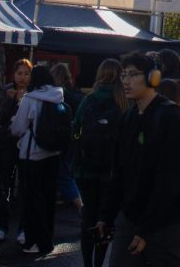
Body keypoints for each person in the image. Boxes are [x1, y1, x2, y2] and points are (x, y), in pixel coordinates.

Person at [98, 52, 180, 267]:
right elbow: (119, 170)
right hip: (130, 220)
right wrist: (106, 214)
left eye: (133, 74)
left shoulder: (170, 117)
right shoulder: (128, 118)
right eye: (124, 75)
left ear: (153, 78)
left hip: (167, 225)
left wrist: (146, 228)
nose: (126, 81)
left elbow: (170, 178)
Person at [74, 59, 127, 267]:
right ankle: (99, 261)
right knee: (105, 218)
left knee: (89, 216)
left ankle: (87, 262)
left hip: (86, 168)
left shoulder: (89, 100)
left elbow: (76, 127)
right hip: (111, 171)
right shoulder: (123, 102)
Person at [11, 64, 66, 255]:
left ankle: (34, 240)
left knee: (32, 201)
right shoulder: (58, 95)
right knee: (48, 199)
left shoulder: (30, 98)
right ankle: (47, 239)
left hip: (32, 153)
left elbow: (18, 127)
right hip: (53, 153)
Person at [0, 57, 32, 243]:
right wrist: (11, 102)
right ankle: (1, 225)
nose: (23, 78)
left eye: (26, 74)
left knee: (25, 186)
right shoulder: (6, 91)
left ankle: (23, 228)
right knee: (4, 184)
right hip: (7, 144)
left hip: (26, 145)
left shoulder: (34, 93)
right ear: (14, 74)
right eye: (20, 73)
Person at [52, 62, 85, 213]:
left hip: (60, 139)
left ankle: (81, 208)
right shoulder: (78, 94)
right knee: (69, 172)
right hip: (76, 138)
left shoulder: (56, 96)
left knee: (64, 175)